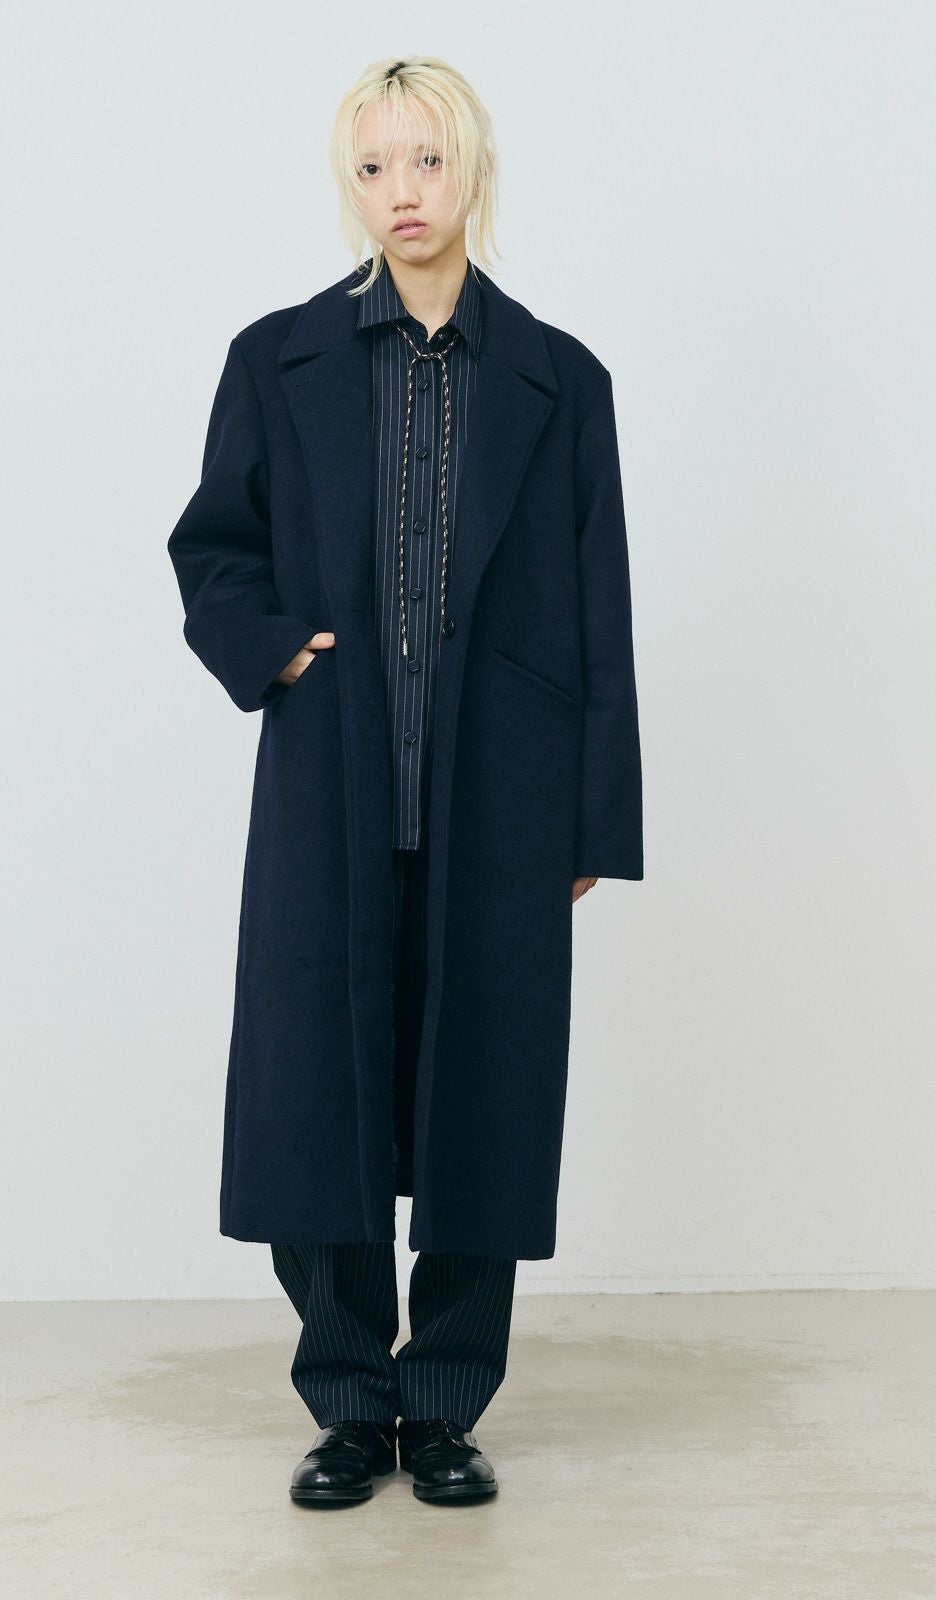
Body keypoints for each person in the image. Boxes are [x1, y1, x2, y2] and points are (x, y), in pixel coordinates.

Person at [166, 55, 643, 1508]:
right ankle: (345, 1400)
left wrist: (593, 818)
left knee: (484, 1103)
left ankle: (442, 1407)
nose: (400, 193)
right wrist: (275, 654)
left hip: (502, 801)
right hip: (334, 792)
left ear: (471, 170)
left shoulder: (560, 379)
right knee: (316, 1099)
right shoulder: (279, 360)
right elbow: (212, 548)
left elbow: (599, 608)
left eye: (425, 162)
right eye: (372, 168)